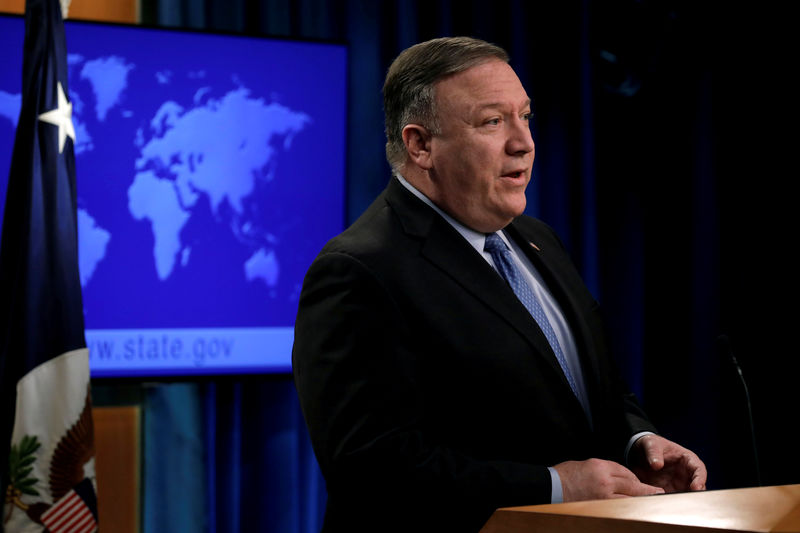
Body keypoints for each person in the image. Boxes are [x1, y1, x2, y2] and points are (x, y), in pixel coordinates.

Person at [292, 36, 706, 532]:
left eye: (525, 116)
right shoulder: (359, 271)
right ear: (420, 145)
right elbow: (371, 469)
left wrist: (639, 443)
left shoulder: (536, 241)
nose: (524, 142)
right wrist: (555, 488)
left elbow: (595, 389)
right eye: (492, 121)